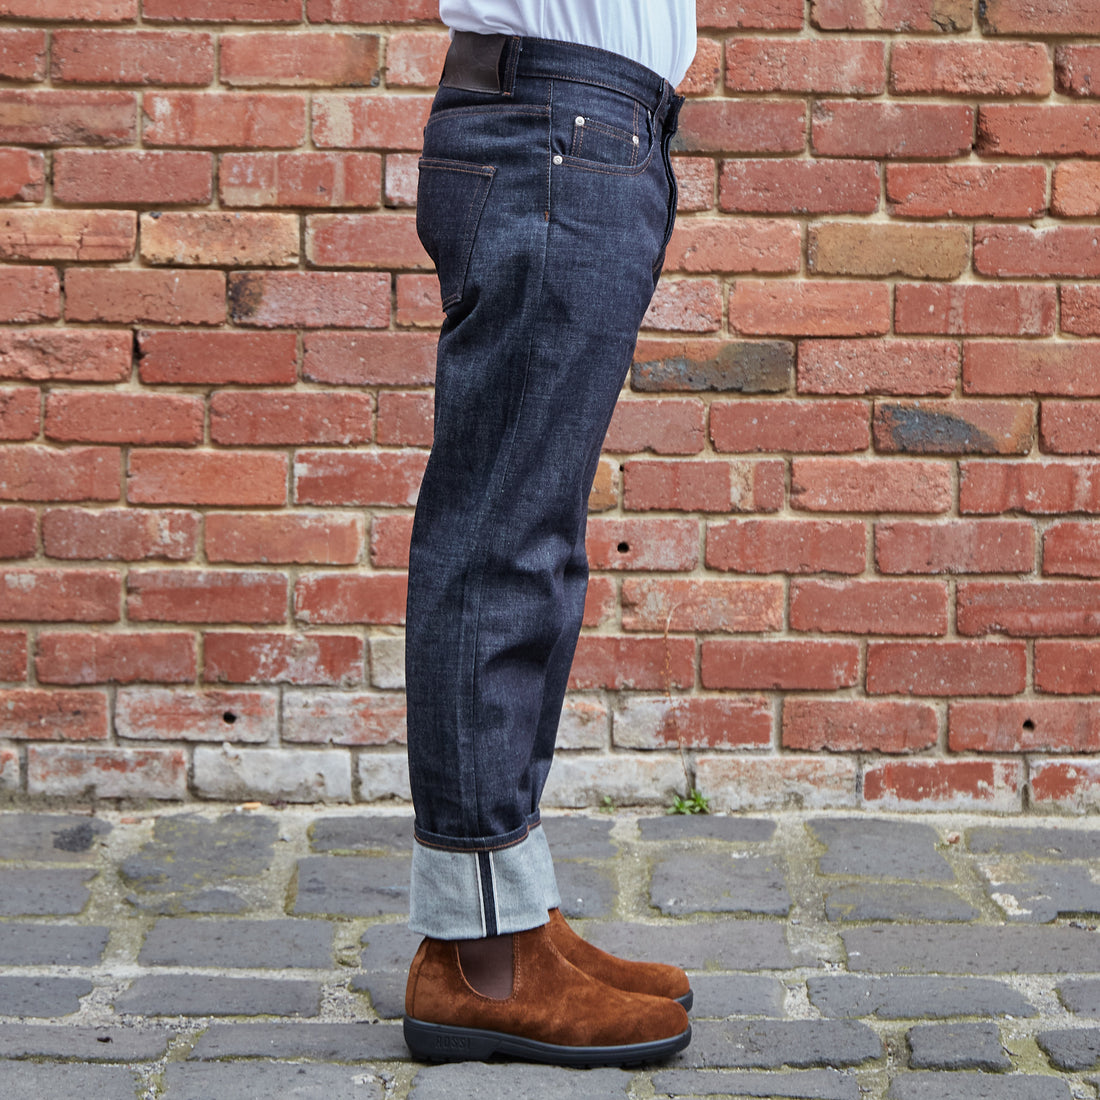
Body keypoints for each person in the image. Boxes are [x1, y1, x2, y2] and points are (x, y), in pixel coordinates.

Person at [402, 0, 697, 1067]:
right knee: (502, 544)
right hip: (557, 129)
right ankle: (479, 958)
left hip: (586, 125)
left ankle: (511, 911)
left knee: (536, 547)